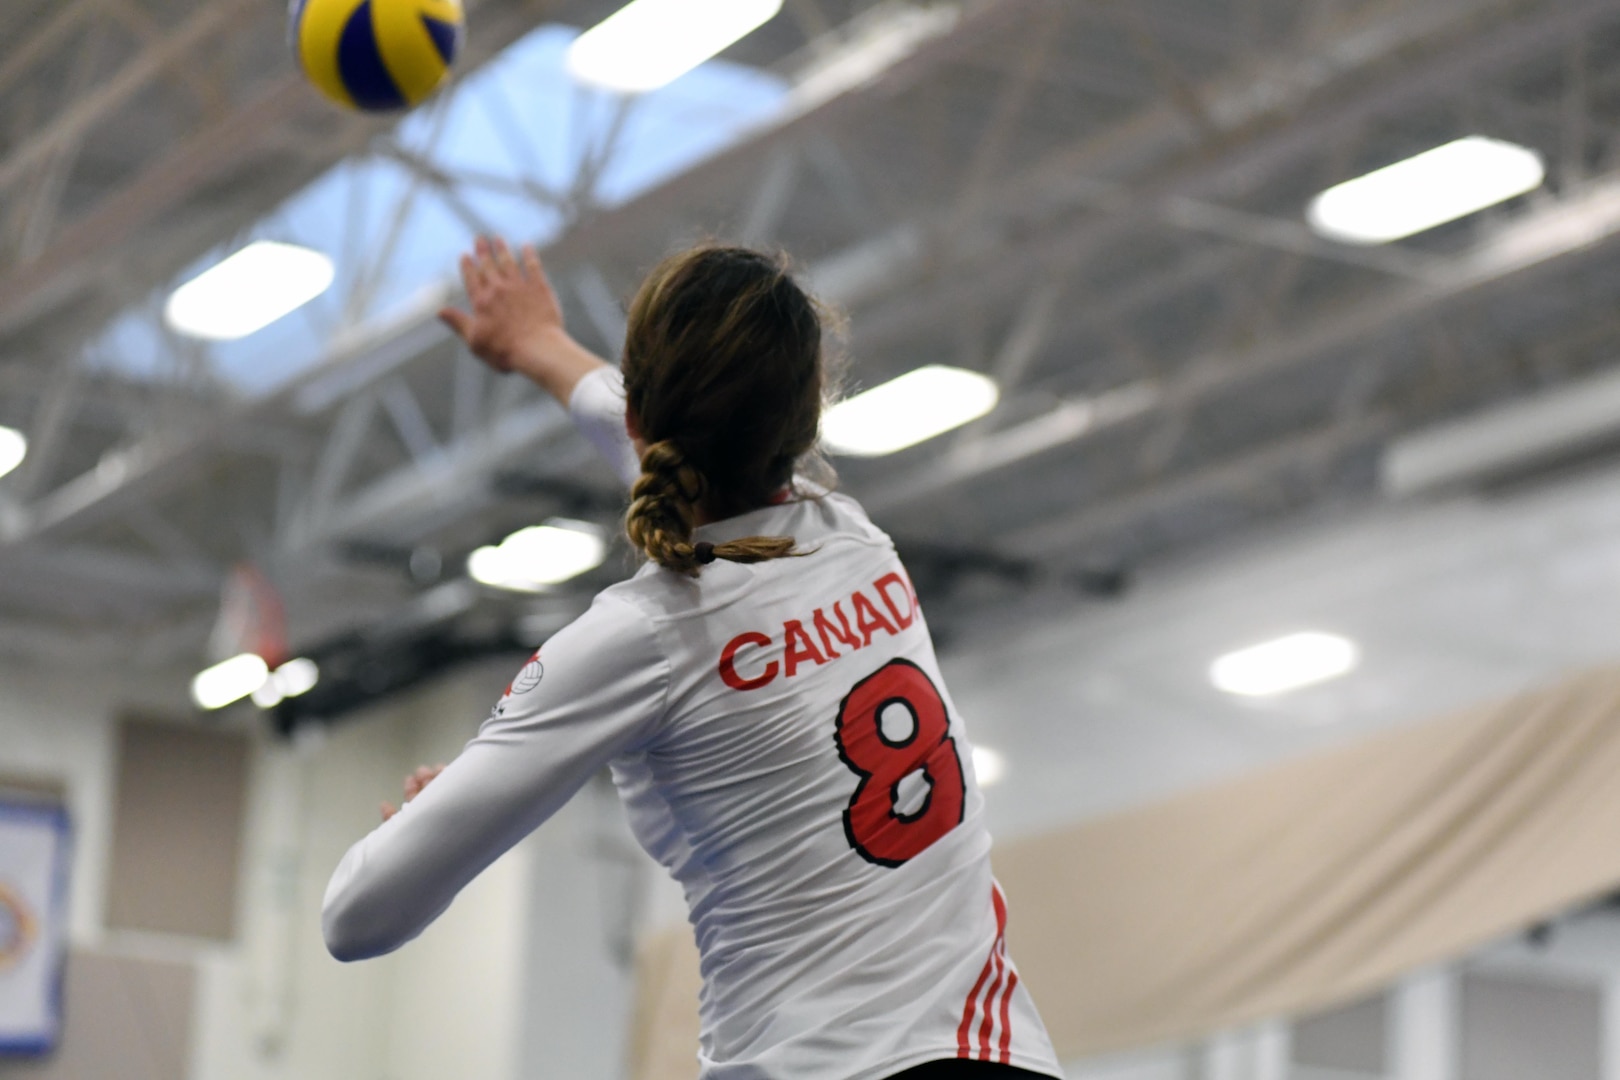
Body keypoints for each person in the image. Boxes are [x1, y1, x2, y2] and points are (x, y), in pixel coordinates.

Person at [322, 237, 1065, 1080]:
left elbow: (356, 917)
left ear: (645, 415)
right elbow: (665, 430)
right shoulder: (856, 540)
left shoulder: (641, 636)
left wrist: (440, 820)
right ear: (810, 415)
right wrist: (539, 347)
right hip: (1001, 1059)